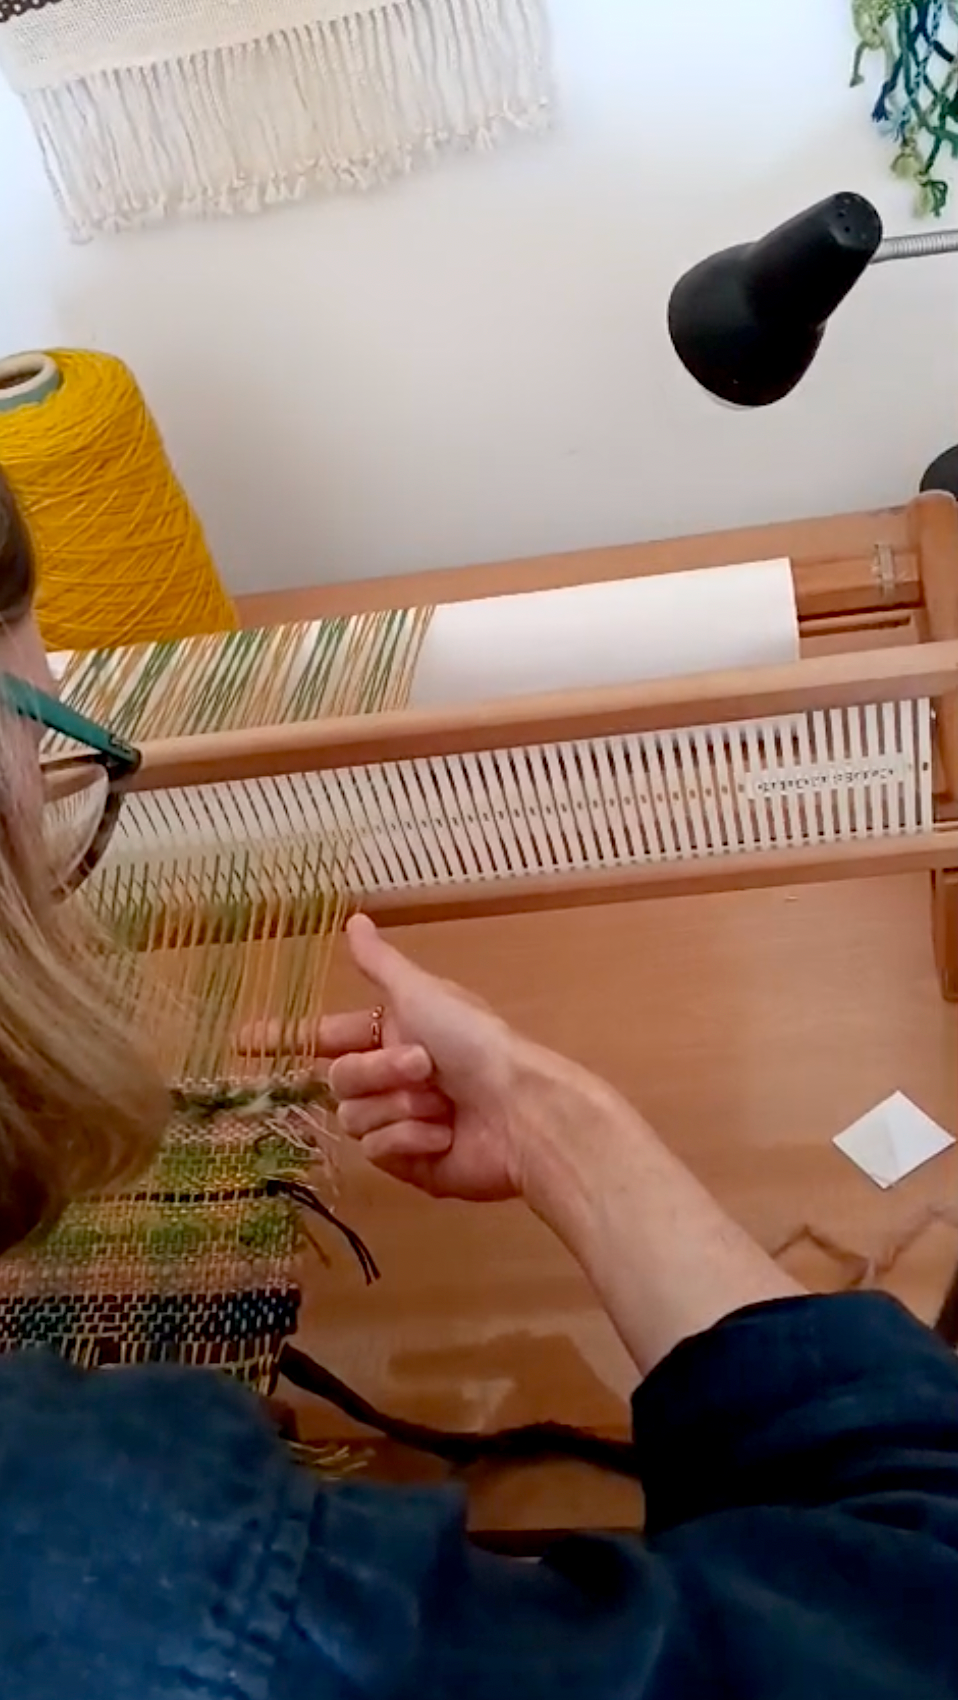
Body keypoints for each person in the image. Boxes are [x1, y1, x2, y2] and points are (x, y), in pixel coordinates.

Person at [0, 472, 957, 1699]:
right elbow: (914, 1617)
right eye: (44, 747)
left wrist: (545, 1126)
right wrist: (570, 1129)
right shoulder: (135, 1567)